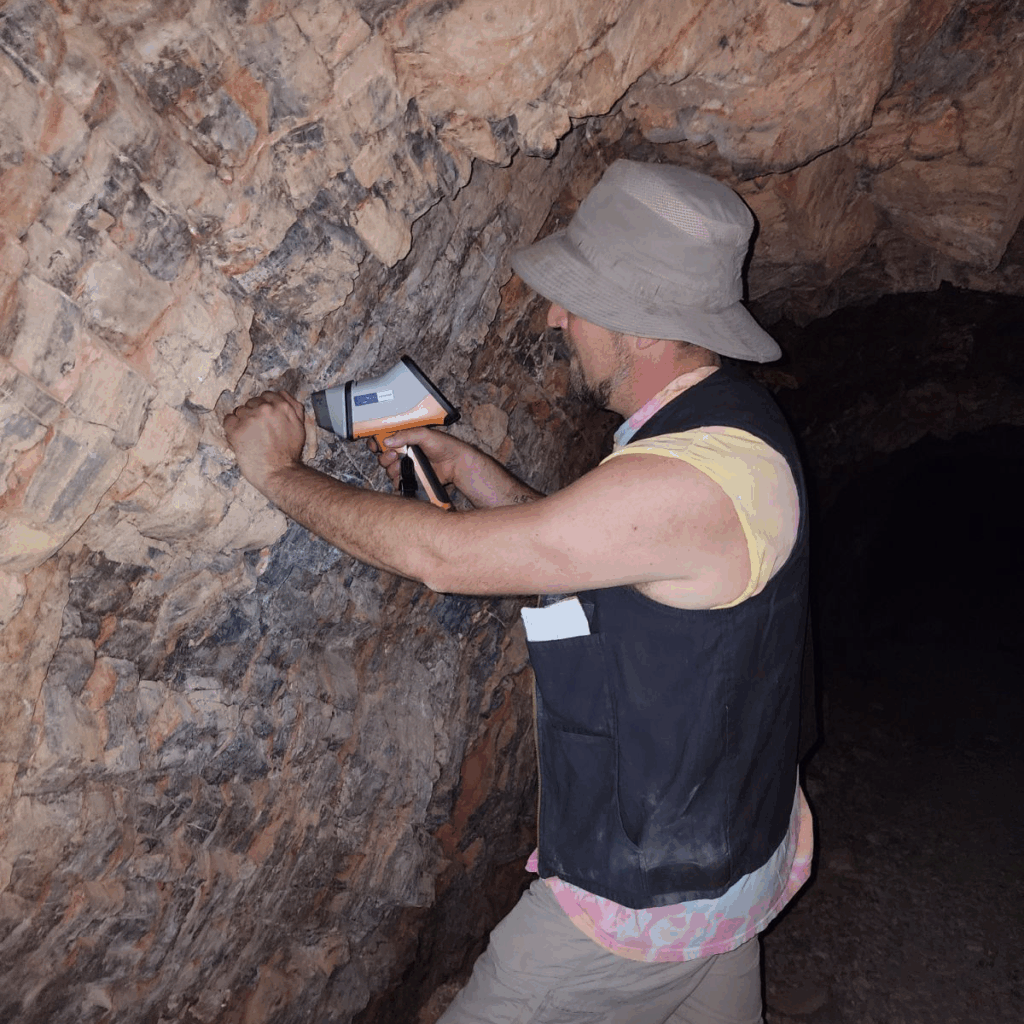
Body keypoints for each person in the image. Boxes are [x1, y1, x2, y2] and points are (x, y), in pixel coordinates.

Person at [224, 159, 813, 1024]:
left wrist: (279, 474)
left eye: (577, 300)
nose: (554, 316)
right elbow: (604, 555)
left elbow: (444, 559)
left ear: (643, 327)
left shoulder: (685, 484)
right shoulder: (731, 428)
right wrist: (476, 472)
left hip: (641, 901)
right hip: (730, 864)